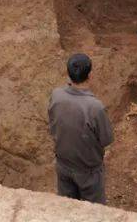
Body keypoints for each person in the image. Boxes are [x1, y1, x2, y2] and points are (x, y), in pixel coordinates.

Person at [48, 53, 114, 204]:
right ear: (89, 75)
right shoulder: (95, 107)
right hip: (88, 171)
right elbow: (106, 139)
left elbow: (52, 123)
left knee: (68, 208)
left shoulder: (56, 95)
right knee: (94, 212)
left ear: (68, 73)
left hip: (63, 165)